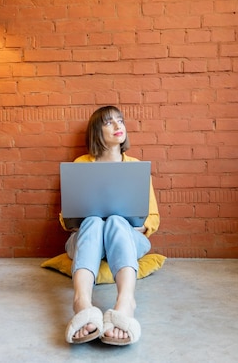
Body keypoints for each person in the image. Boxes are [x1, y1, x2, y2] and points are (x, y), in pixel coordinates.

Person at [60, 106, 160, 346]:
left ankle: (126, 303)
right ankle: (81, 303)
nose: (118, 126)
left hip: (127, 238)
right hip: (88, 239)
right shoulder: (81, 164)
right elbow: (66, 219)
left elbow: (153, 217)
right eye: (109, 122)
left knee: (116, 220)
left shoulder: (135, 165)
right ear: (96, 131)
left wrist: (132, 225)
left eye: (120, 121)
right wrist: (79, 221)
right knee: (94, 221)